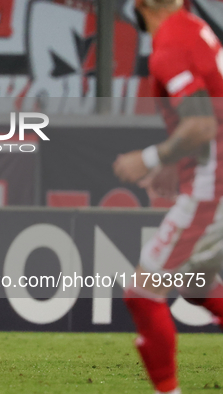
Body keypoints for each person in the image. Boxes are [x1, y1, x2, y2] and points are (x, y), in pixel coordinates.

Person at [113, 0, 223, 393]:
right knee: (197, 283)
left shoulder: (171, 45)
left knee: (142, 293)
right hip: (212, 175)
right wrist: (173, 164)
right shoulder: (192, 28)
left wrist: (148, 158)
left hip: (216, 186)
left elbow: (200, 124)